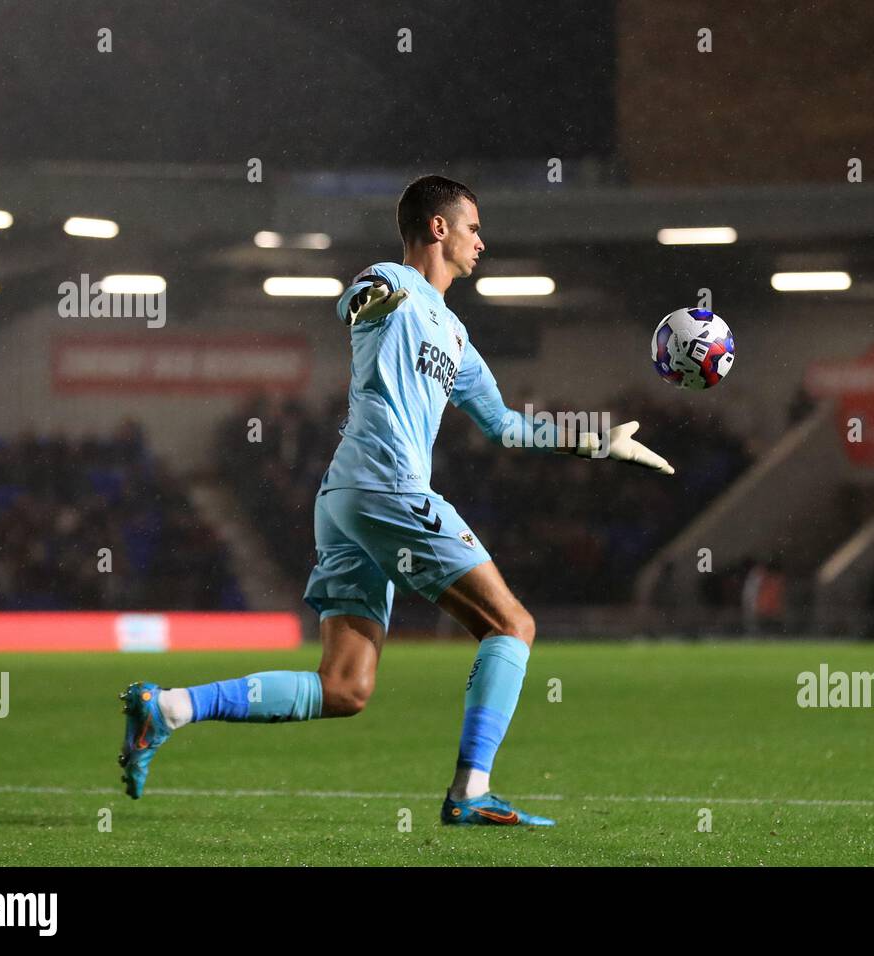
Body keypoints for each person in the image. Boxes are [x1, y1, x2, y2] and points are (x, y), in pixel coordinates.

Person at [117, 175, 674, 826]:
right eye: (472, 227)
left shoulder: (457, 337)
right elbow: (359, 299)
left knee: (344, 688)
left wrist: (599, 443)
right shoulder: (394, 282)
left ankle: (170, 708)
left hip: (347, 499)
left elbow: (506, 427)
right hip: (389, 489)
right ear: (439, 228)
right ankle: (470, 790)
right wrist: (367, 302)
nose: (481, 241)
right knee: (512, 625)